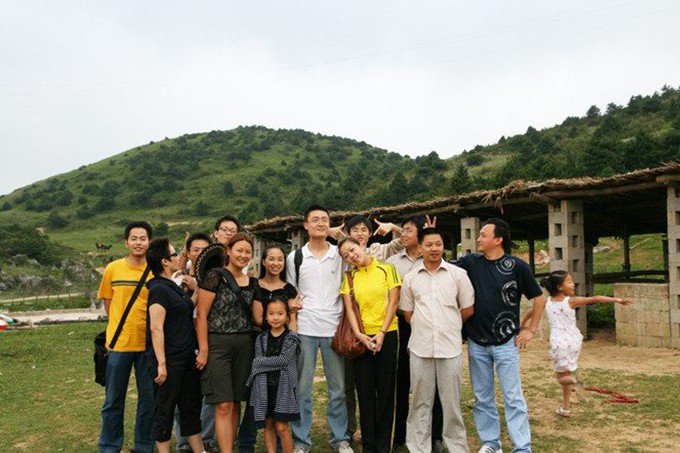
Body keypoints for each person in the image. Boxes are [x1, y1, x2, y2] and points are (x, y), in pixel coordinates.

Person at [453, 218, 546, 453]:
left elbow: (539, 298)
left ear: (498, 239)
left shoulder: (517, 266)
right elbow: (440, 263)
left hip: (506, 342)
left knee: (513, 397)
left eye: (483, 235)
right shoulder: (471, 263)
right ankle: (491, 443)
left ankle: (522, 447)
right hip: (477, 341)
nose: (478, 238)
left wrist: (531, 330)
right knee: (482, 397)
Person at [400, 227, 475, 453]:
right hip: (420, 347)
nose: (434, 249)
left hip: (449, 347)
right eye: (429, 245)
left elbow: (467, 309)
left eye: (438, 244)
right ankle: (418, 447)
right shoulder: (411, 278)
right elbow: (408, 314)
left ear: (443, 246)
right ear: (420, 247)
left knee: (451, 403)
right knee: (419, 402)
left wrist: (448, 324)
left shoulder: (458, 275)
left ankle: (457, 447)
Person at [285, 205, 353, 453]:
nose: (321, 223)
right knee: (302, 388)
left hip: (334, 328)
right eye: (315, 220)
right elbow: (291, 293)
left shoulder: (340, 254)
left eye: (325, 219)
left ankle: (340, 439)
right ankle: (301, 441)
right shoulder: (295, 257)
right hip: (306, 327)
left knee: (338, 389)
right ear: (306, 225)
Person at [526, 270, 634, 417]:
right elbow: (595, 299)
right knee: (566, 373)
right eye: (569, 282)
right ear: (559, 287)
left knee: (562, 378)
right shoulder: (571, 301)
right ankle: (566, 408)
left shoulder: (548, 302)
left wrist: (522, 324)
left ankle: (575, 381)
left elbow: (532, 312)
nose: (573, 284)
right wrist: (617, 300)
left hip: (559, 342)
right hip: (574, 340)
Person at [386, 215, 445, 451]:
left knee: (434, 380)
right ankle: (400, 435)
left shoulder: (434, 258)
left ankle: (435, 435)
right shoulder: (392, 262)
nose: (402, 234)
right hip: (402, 324)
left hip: (430, 325)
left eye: (408, 230)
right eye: (402, 230)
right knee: (401, 380)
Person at [341, 215, 403, 441]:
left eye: (353, 250)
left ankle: (384, 443)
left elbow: (394, 302)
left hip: (387, 334)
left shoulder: (387, 268)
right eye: (346, 255)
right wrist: (360, 335)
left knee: (386, 391)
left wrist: (382, 333)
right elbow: (349, 310)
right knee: (364, 393)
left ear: (362, 244)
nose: (351, 255)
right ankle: (368, 443)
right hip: (361, 339)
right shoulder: (349, 277)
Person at [196, 233, 258, 453]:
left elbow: (258, 318)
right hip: (217, 344)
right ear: (228, 251)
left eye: (248, 252)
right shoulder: (214, 276)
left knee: (236, 402)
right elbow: (201, 315)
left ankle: (228, 447)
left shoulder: (253, 282)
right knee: (223, 404)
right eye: (239, 250)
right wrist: (204, 349)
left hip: (245, 345)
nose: (243, 255)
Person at [98, 221, 155, 453]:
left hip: (148, 345)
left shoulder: (155, 270)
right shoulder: (113, 269)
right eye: (134, 238)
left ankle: (144, 446)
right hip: (119, 344)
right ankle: (110, 446)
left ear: (149, 242)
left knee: (148, 400)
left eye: (143, 238)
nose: (138, 242)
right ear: (126, 242)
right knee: (113, 400)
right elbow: (108, 303)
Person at [145, 238, 206, 453]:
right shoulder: (158, 290)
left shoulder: (172, 287)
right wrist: (161, 364)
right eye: (174, 254)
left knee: (190, 408)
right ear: (164, 261)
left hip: (186, 359)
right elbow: (156, 328)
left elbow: (186, 308)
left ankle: (200, 451)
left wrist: (196, 290)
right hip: (169, 361)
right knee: (165, 410)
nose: (178, 257)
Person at [172, 232, 215, 453]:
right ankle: (183, 443)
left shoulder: (217, 277)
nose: (199, 253)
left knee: (209, 394)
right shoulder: (177, 278)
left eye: (204, 249)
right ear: (187, 252)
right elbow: (178, 311)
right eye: (195, 249)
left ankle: (205, 439)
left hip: (209, 339)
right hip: (183, 340)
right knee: (182, 394)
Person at [247, 296, 301, 453]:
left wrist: (260, 363)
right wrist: (260, 363)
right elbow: (257, 362)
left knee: (282, 427)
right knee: (268, 425)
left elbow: (283, 360)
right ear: (265, 317)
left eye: (280, 313)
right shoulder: (261, 339)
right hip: (264, 388)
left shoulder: (292, 338)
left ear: (287, 316)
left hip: (283, 389)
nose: (275, 318)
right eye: (271, 314)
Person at [254, 245, 302, 332]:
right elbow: (257, 320)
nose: (276, 263)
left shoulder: (289, 289)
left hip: (282, 337)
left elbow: (292, 321)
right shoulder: (254, 285)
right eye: (271, 259)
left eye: (280, 260)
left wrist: (292, 338)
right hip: (258, 337)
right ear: (263, 262)